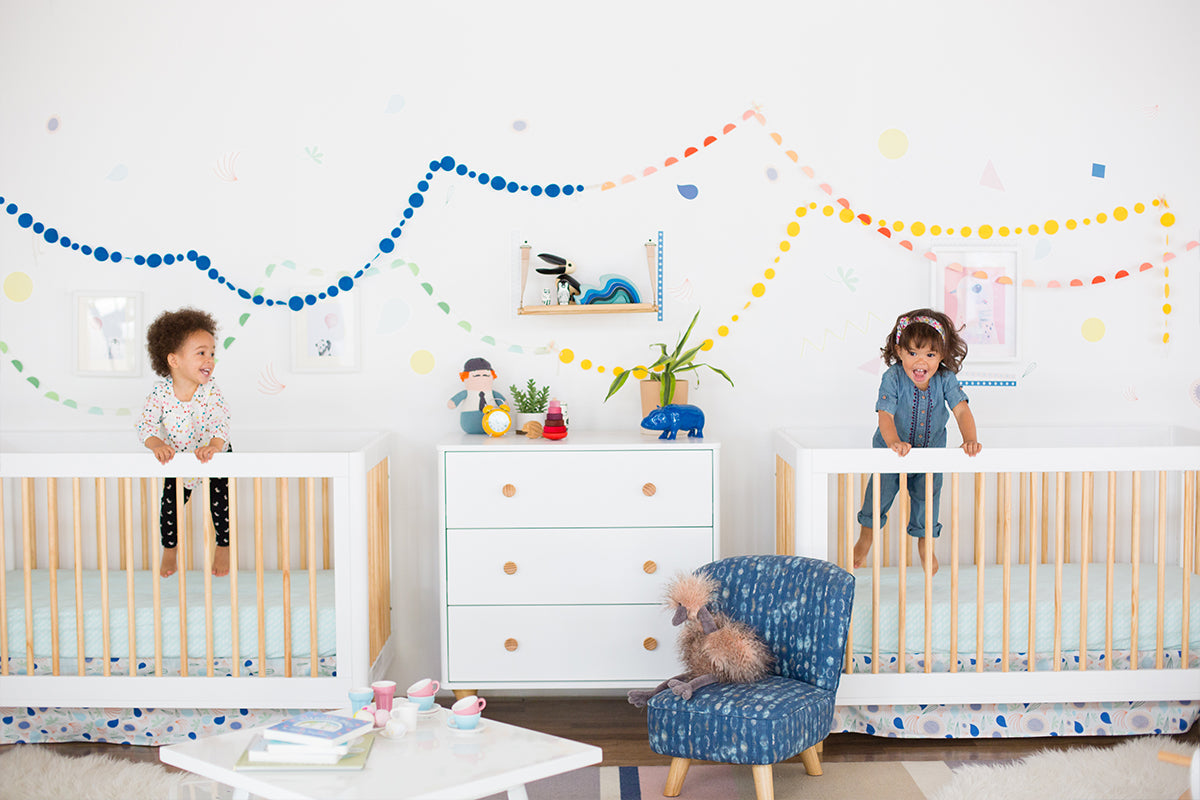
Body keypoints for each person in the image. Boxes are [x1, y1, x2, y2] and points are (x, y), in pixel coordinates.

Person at [852, 309, 982, 575]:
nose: (920, 362)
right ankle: (866, 536)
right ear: (899, 352)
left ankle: (925, 543)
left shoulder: (946, 379)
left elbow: (961, 410)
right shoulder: (892, 378)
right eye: (913, 353)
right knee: (878, 496)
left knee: (928, 499)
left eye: (930, 355)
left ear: (942, 356)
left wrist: (970, 440)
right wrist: (894, 443)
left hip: (930, 456)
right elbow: (885, 416)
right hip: (890, 454)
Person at [136, 308, 232, 578]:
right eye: (201, 352)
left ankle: (223, 544)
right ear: (174, 360)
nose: (210, 359)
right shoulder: (160, 393)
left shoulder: (210, 390)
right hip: (177, 458)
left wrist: (214, 445)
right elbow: (146, 425)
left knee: (220, 499)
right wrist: (157, 445)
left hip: (214, 453)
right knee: (170, 504)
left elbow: (221, 421)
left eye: (212, 353)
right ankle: (170, 548)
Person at [447, 357, 507, 434]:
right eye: (477, 375)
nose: (482, 378)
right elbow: (453, 403)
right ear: (465, 377)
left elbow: (503, 403)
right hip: (469, 424)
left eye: (485, 375)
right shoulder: (467, 393)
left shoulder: (492, 393)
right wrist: (453, 402)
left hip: (492, 423)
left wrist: (504, 406)